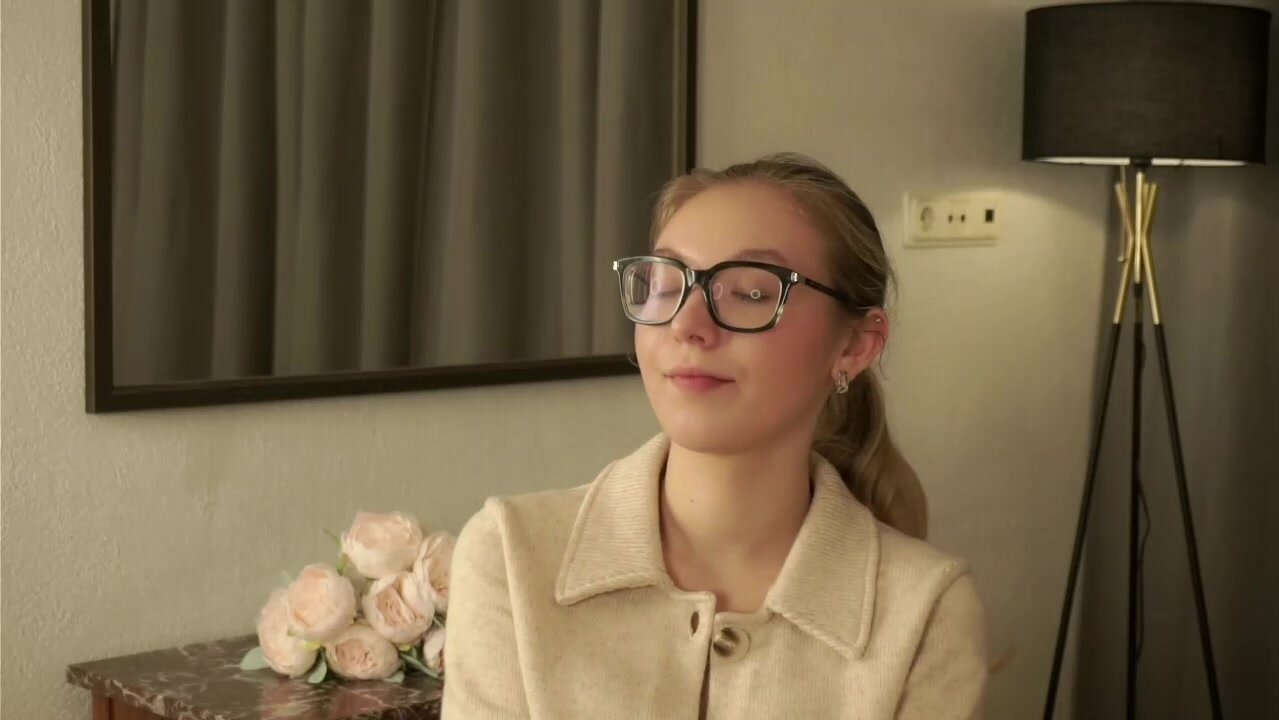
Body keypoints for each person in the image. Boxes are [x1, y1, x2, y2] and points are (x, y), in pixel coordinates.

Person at [442, 153, 989, 719]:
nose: (687, 325)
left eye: (750, 293)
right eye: (666, 283)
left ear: (854, 345)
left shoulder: (928, 611)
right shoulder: (511, 557)